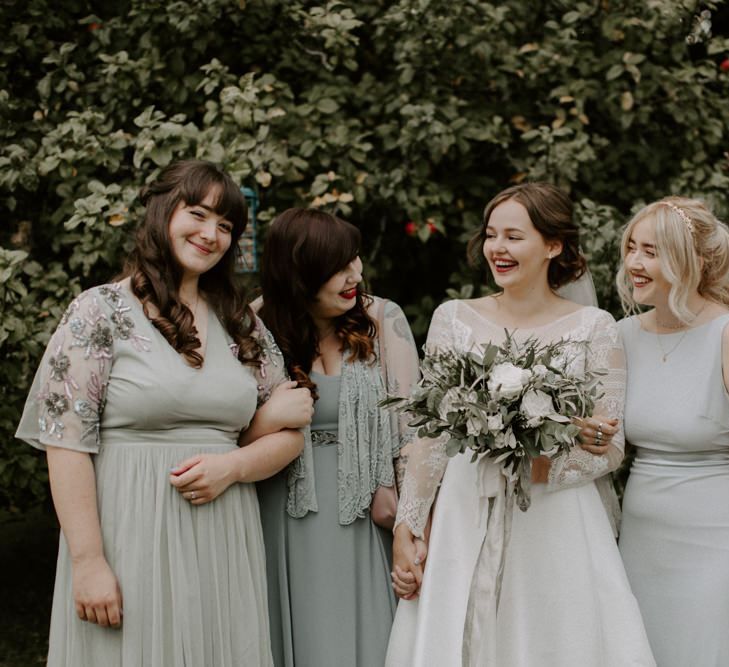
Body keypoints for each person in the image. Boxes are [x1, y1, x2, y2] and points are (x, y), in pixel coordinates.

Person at [15, 160, 310, 666]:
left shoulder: (240, 323)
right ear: (161, 213)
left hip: (222, 539)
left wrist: (233, 466)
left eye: (225, 226)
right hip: (127, 537)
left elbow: (291, 434)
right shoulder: (99, 311)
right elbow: (65, 443)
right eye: (197, 214)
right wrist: (88, 563)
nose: (211, 234)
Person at [385, 182, 655, 666]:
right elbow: (431, 433)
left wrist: (536, 470)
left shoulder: (594, 327)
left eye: (514, 236)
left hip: (555, 519)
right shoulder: (453, 319)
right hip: (463, 510)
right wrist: (409, 523)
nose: (497, 248)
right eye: (492, 235)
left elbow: (611, 450)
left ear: (553, 246)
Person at [253, 208, 420, 667]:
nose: (354, 275)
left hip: (369, 513)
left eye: (355, 260)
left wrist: (411, 521)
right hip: (283, 511)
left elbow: (413, 431)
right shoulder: (254, 325)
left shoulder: (382, 318)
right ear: (298, 274)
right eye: (337, 268)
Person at [617, 196, 729, 667]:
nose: (635, 263)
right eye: (632, 248)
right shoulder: (621, 335)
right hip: (640, 537)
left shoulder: (724, 334)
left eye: (652, 251)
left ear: (692, 262)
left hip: (715, 537)